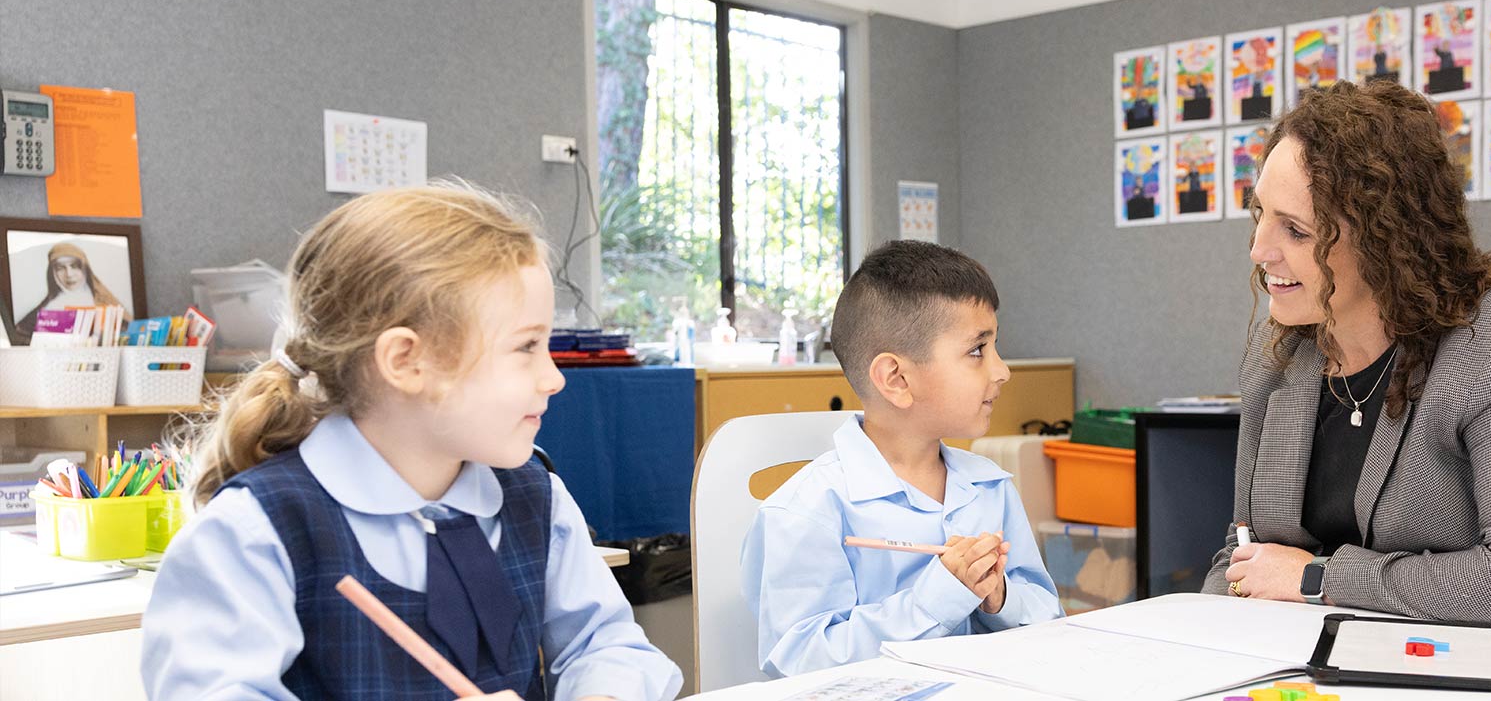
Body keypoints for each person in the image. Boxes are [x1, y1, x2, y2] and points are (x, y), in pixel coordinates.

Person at [141, 181, 683, 700]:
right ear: (406, 361)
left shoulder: (537, 499)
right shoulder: (254, 533)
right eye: (526, 348)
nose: (555, 377)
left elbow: (604, 643)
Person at [1204, 80, 1491, 636]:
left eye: (1295, 230)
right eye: (1259, 215)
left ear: (1383, 238)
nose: (1259, 250)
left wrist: (1318, 579)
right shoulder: (1281, 352)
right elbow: (1247, 549)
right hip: (1376, 655)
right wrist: (1207, 641)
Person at [739, 240, 1061, 678]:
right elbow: (802, 661)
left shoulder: (990, 485)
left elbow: (1047, 616)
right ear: (896, 379)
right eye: (977, 351)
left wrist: (999, 597)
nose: (1002, 370)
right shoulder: (809, 510)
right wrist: (935, 600)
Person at [10, 241, 130, 345]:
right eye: (60, 268)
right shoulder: (41, 312)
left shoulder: (107, 307)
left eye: (74, 266)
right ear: (52, 273)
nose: (69, 274)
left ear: (85, 269)